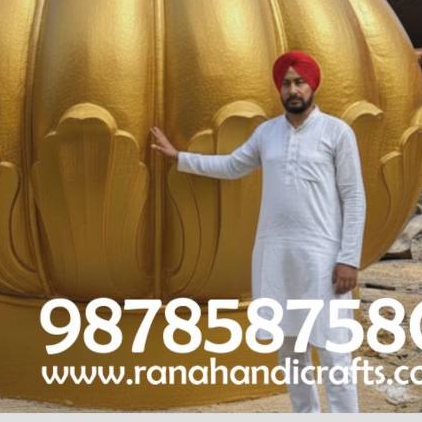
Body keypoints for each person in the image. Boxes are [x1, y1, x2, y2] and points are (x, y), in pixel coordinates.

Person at [150, 50, 366, 413]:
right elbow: (233, 165)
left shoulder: (337, 133)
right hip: (277, 258)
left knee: (333, 350)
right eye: (286, 83)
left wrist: (349, 259)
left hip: (323, 261)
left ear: (313, 85)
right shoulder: (267, 133)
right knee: (292, 352)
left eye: (299, 81)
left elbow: (354, 196)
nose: (293, 89)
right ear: (279, 90)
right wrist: (180, 158)